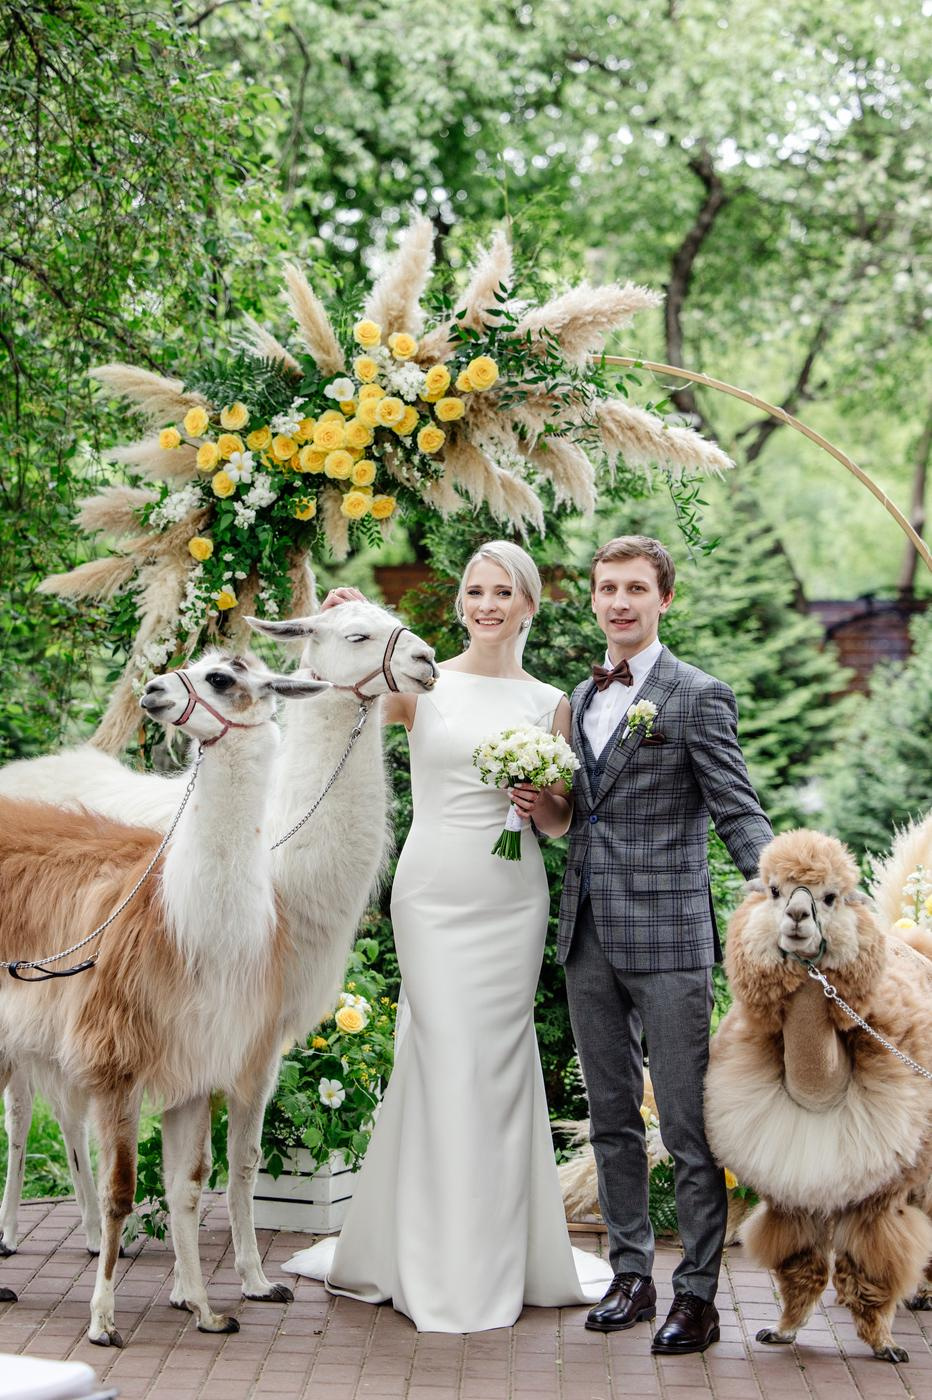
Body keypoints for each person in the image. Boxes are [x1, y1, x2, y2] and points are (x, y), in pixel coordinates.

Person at [283, 541, 611, 1331]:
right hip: (431, 893)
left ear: (529, 606)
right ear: (461, 601)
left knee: (497, 1062)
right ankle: (426, 1256)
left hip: (511, 896)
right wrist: (346, 618)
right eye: (475, 591)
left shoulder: (548, 703)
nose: (487, 605)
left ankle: (502, 1250)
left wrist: (542, 805)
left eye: (504, 592)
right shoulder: (421, 683)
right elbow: (334, 693)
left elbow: (565, 822)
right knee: (438, 1054)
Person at [554, 535, 773, 1354]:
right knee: (610, 1118)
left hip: (672, 939)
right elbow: (580, 812)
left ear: (663, 600)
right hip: (588, 937)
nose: (619, 602)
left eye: (635, 589)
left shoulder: (696, 696)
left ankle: (699, 1297)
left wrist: (781, 884)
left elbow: (737, 809)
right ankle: (632, 1277)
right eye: (607, 588)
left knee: (685, 1128)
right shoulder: (582, 696)